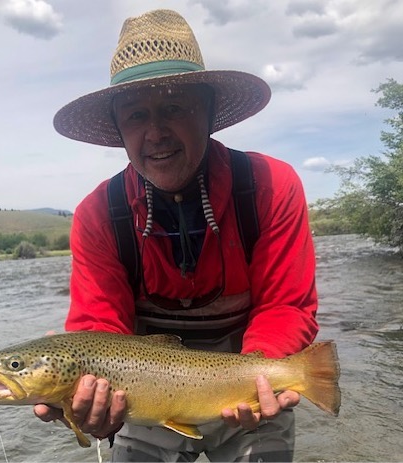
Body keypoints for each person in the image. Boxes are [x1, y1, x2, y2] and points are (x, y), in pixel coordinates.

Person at [34, 9, 318, 462]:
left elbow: (285, 304)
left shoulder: (271, 186)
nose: (155, 133)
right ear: (119, 131)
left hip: (245, 380)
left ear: (207, 112)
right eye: (136, 115)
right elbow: (100, 327)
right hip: (145, 398)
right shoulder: (96, 216)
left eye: (173, 108)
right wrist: (91, 395)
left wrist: (256, 377)